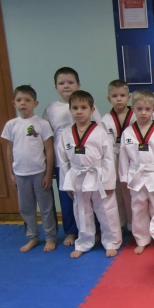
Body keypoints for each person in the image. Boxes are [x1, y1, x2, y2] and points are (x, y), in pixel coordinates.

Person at [56, 90, 122, 258]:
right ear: (70, 110)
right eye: (75, 108)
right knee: (81, 212)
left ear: (92, 110)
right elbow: (63, 161)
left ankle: (111, 242)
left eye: (83, 107)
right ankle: (84, 242)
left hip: (98, 176)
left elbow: (108, 159)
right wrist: (67, 184)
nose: (79, 111)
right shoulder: (65, 134)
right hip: (77, 176)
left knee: (106, 211)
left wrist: (108, 183)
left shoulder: (100, 132)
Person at [43, 67, 102, 246]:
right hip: (63, 161)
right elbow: (46, 137)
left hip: (87, 161)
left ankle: (95, 230)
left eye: (70, 82)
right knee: (67, 198)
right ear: (56, 87)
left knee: (90, 197)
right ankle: (71, 231)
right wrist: (48, 164)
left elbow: (98, 131)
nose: (66, 86)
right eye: (61, 83)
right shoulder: (51, 109)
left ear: (79, 84)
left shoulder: (88, 105)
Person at [1, 85, 57, 253]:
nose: (23, 103)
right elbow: (9, 150)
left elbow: (49, 149)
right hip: (20, 173)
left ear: (35, 103)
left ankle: (50, 237)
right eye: (19, 100)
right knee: (26, 208)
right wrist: (11, 173)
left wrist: (48, 173)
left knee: (46, 207)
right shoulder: (11, 125)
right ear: (14, 103)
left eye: (27, 100)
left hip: (39, 172)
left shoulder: (42, 124)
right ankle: (32, 237)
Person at [119, 89, 154, 254]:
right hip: (136, 175)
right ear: (132, 108)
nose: (143, 113)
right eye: (139, 109)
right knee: (138, 208)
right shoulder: (127, 132)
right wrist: (123, 176)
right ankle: (142, 239)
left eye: (147, 109)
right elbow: (123, 156)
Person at [100, 79, 135, 233]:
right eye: (115, 96)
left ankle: (133, 224)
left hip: (132, 157)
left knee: (130, 192)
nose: (119, 99)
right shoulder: (105, 120)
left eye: (122, 95)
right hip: (112, 157)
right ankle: (120, 223)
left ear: (129, 97)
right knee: (115, 192)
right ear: (109, 99)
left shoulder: (136, 116)